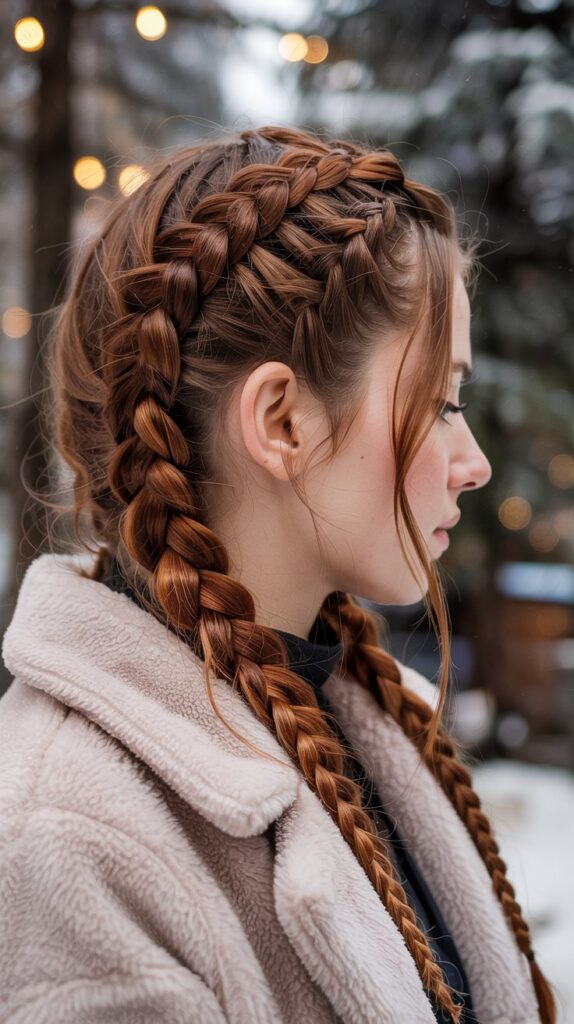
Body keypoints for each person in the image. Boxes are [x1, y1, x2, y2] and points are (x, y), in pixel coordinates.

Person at [0, 124, 556, 1024]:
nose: (475, 460)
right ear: (283, 422)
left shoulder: (353, 715)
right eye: (442, 401)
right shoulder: (65, 842)